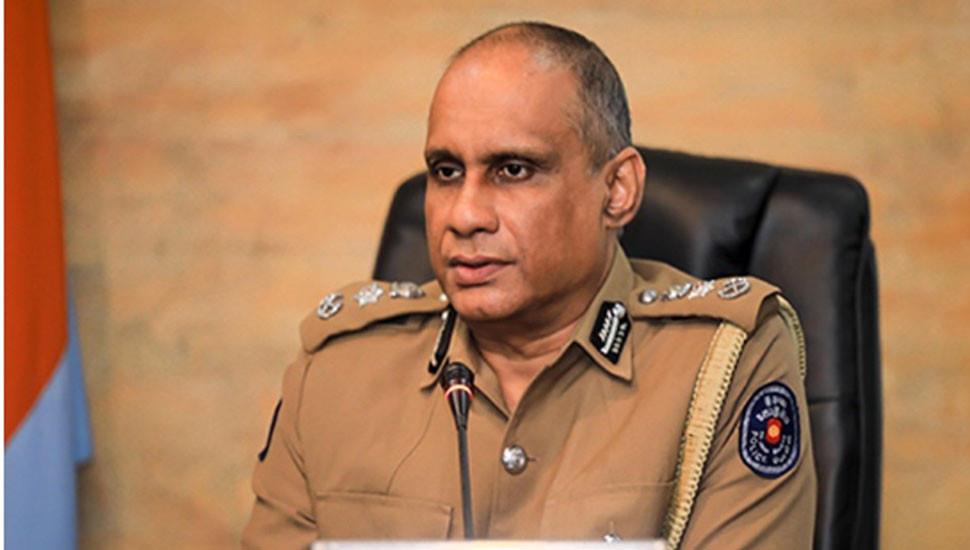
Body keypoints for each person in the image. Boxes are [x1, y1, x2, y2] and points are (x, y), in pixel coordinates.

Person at [243, 21, 816, 549]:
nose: (464, 215)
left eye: (513, 170)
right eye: (446, 172)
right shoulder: (338, 372)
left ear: (617, 190)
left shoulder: (720, 364)